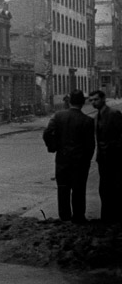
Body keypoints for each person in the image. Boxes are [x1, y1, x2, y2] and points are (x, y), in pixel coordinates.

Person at [42, 90, 95, 223]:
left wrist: (53, 147)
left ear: (69, 102)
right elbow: (90, 144)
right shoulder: (88, 121)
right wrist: (87, 159)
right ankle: (78, 217)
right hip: (80, 161)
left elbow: (47, 133)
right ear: (83, 103)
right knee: (79, 189)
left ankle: (65, 217)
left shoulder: (58, 116)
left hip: (62, 159)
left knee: (63, 188)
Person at [88, 90, 122, 223]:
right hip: (102, 158)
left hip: (115, 157)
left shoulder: (114, 114)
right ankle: (106, 216)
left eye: (95, 99)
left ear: (103, 99)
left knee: (116, 186)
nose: (93, 102)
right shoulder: (97, 117)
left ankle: (116, 216)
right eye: (91, 100)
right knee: (104, 188)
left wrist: (113, 148)